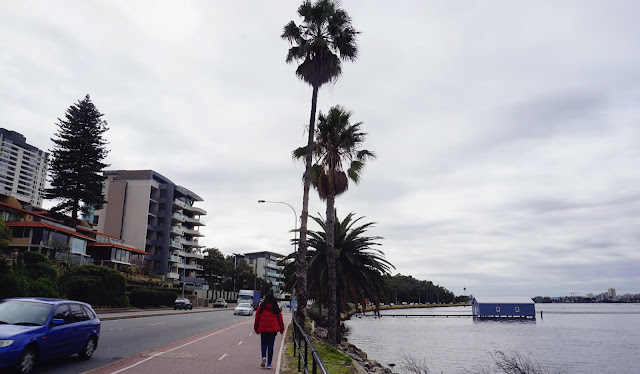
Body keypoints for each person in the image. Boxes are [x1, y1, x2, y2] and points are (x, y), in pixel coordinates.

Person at [254, 291, 284, 369]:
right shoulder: (275, 307)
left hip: (263, 329)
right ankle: (269, 364)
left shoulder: (261, 306)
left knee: (263, 344)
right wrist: (281, 328)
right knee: (271, 346)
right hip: (273, 330)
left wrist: (256, 328)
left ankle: (264, 356)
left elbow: (257, 318)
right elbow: (280, 318)